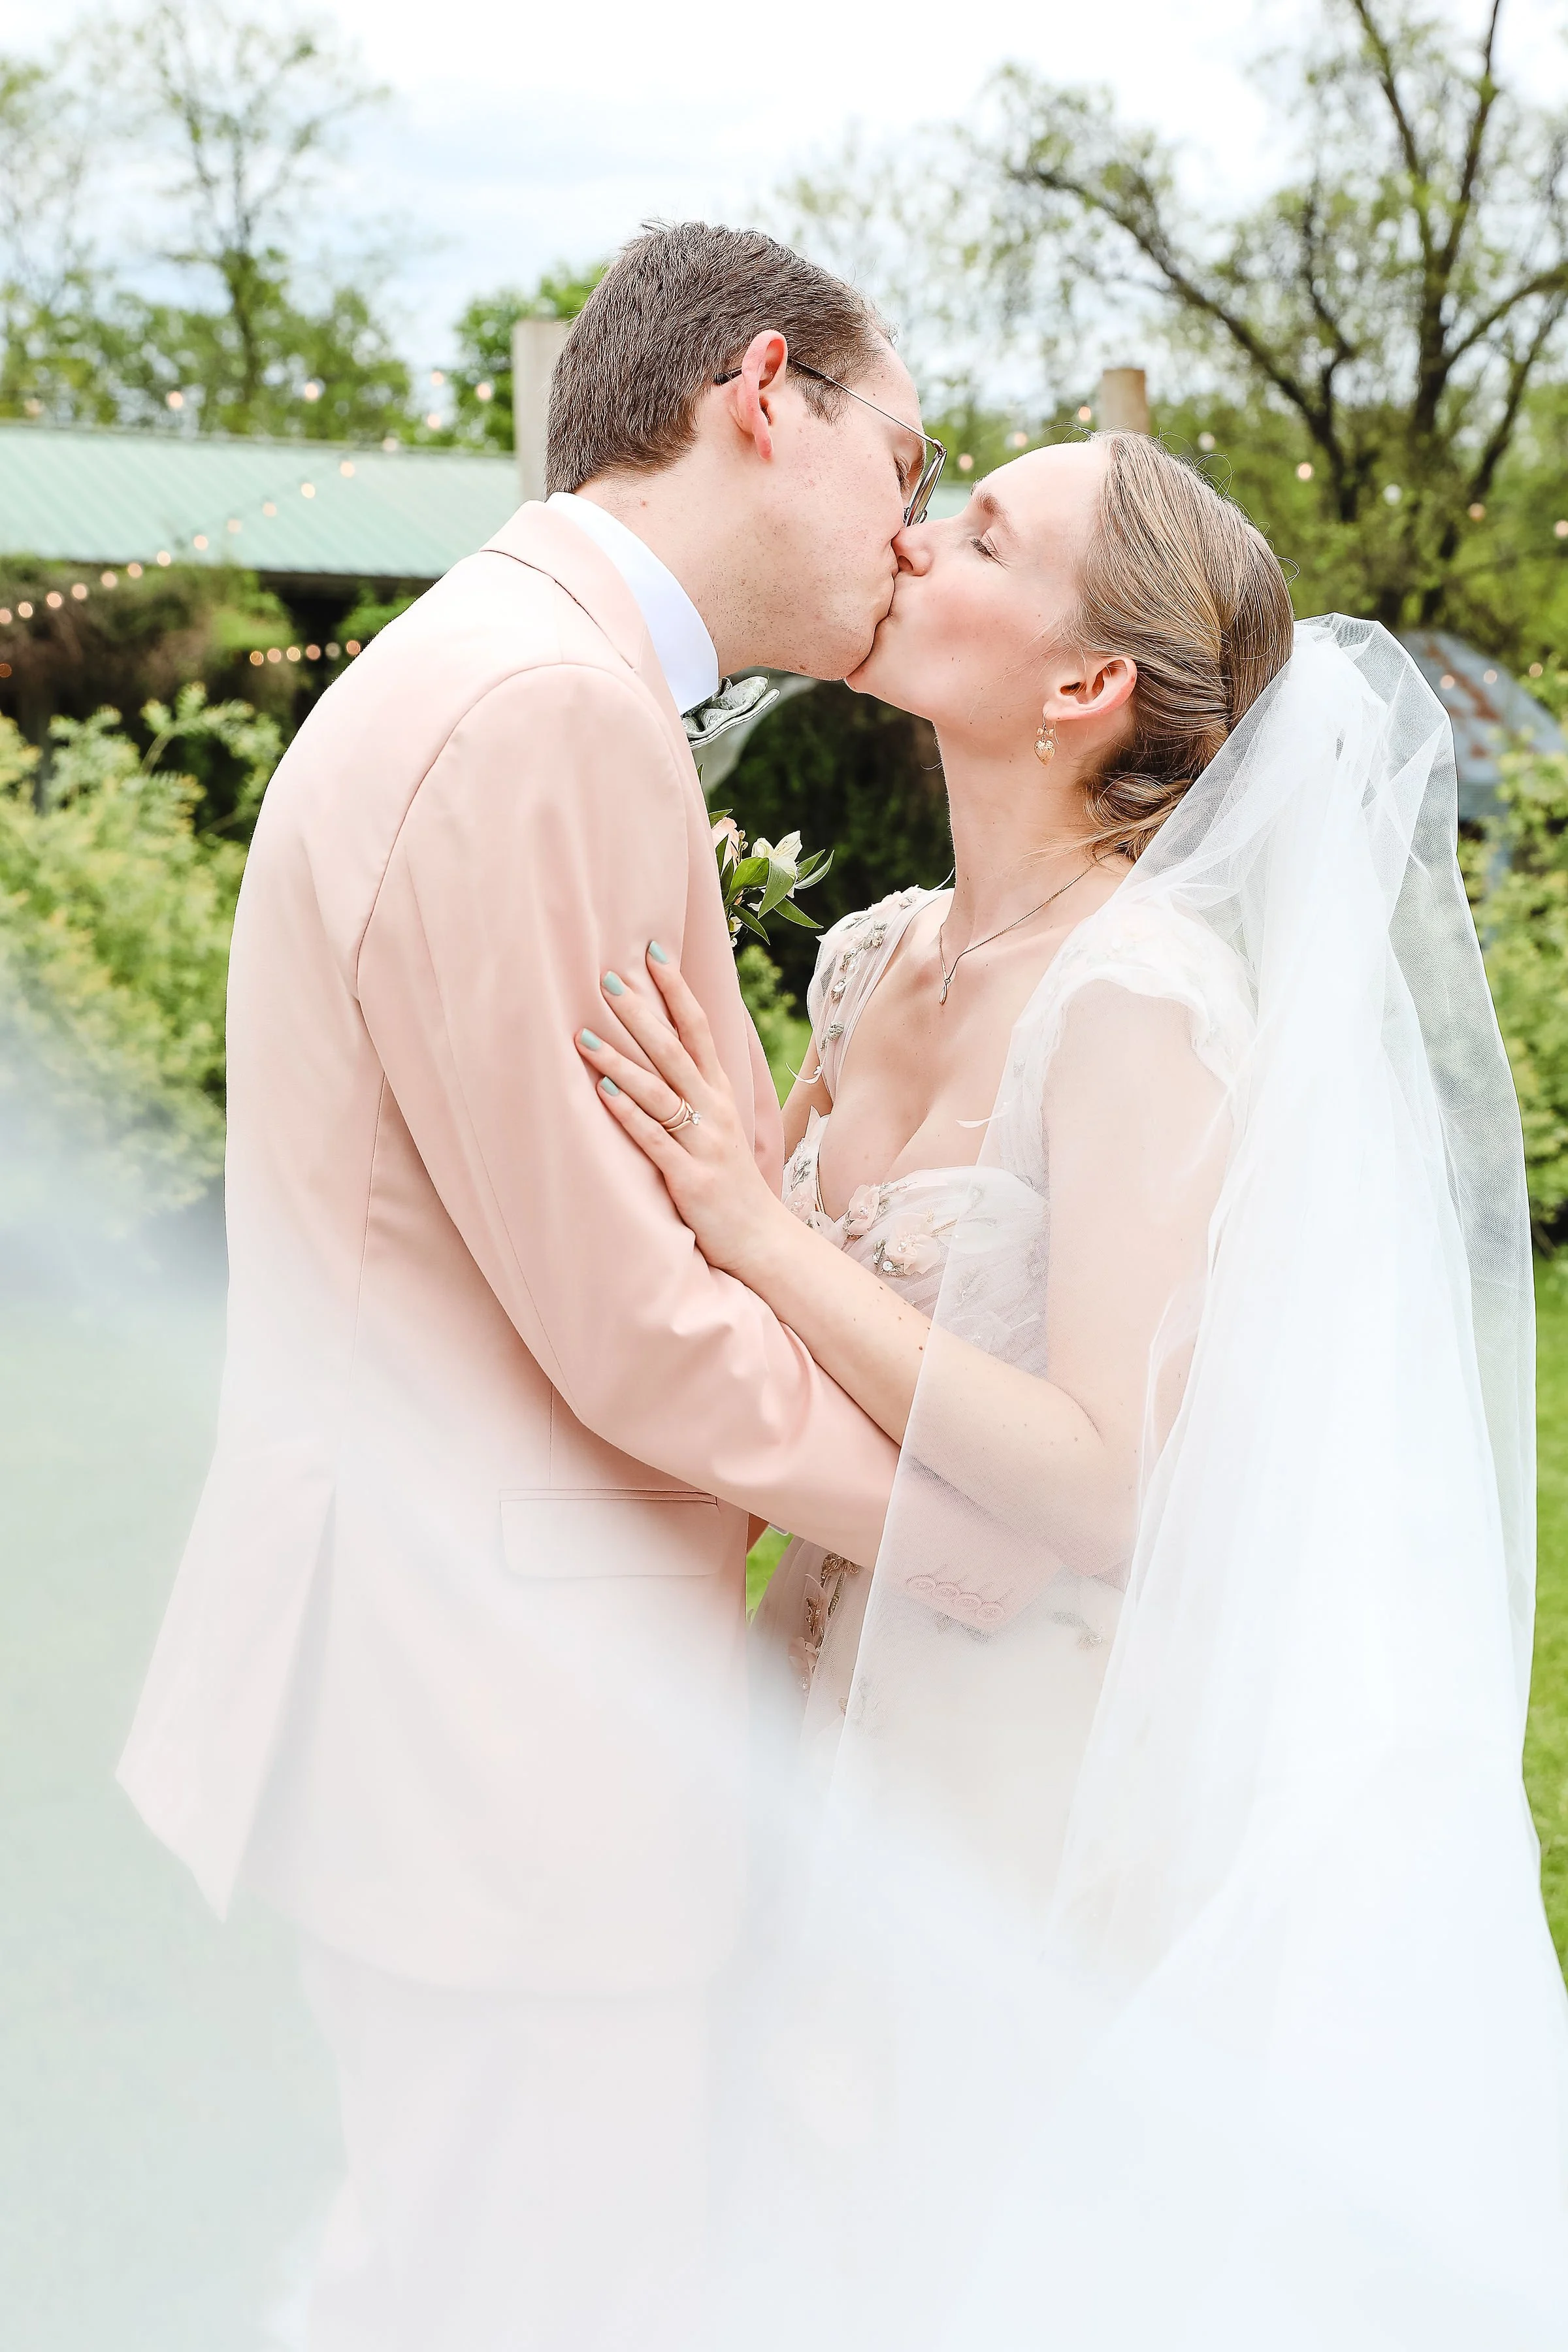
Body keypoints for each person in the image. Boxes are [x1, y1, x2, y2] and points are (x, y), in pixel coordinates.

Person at [578, 433, 1568, 2345]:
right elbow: (744, 1316)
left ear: (1081, 684)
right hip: (804, 1698)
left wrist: (754, 1229)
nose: (910, 539)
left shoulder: (1141, 1003)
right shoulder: (874, 958)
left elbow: (1110, 1478)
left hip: (1020, 1756)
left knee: (957, 2239)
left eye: (976, 534)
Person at [114, 222, 943, 2351]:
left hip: (459, 1690)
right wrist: (961, 1523)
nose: (910, 536)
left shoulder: (507, 670)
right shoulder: (543, 712)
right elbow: (632, 1323)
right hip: (507, 1726)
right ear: (767, 394)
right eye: (908, 466)